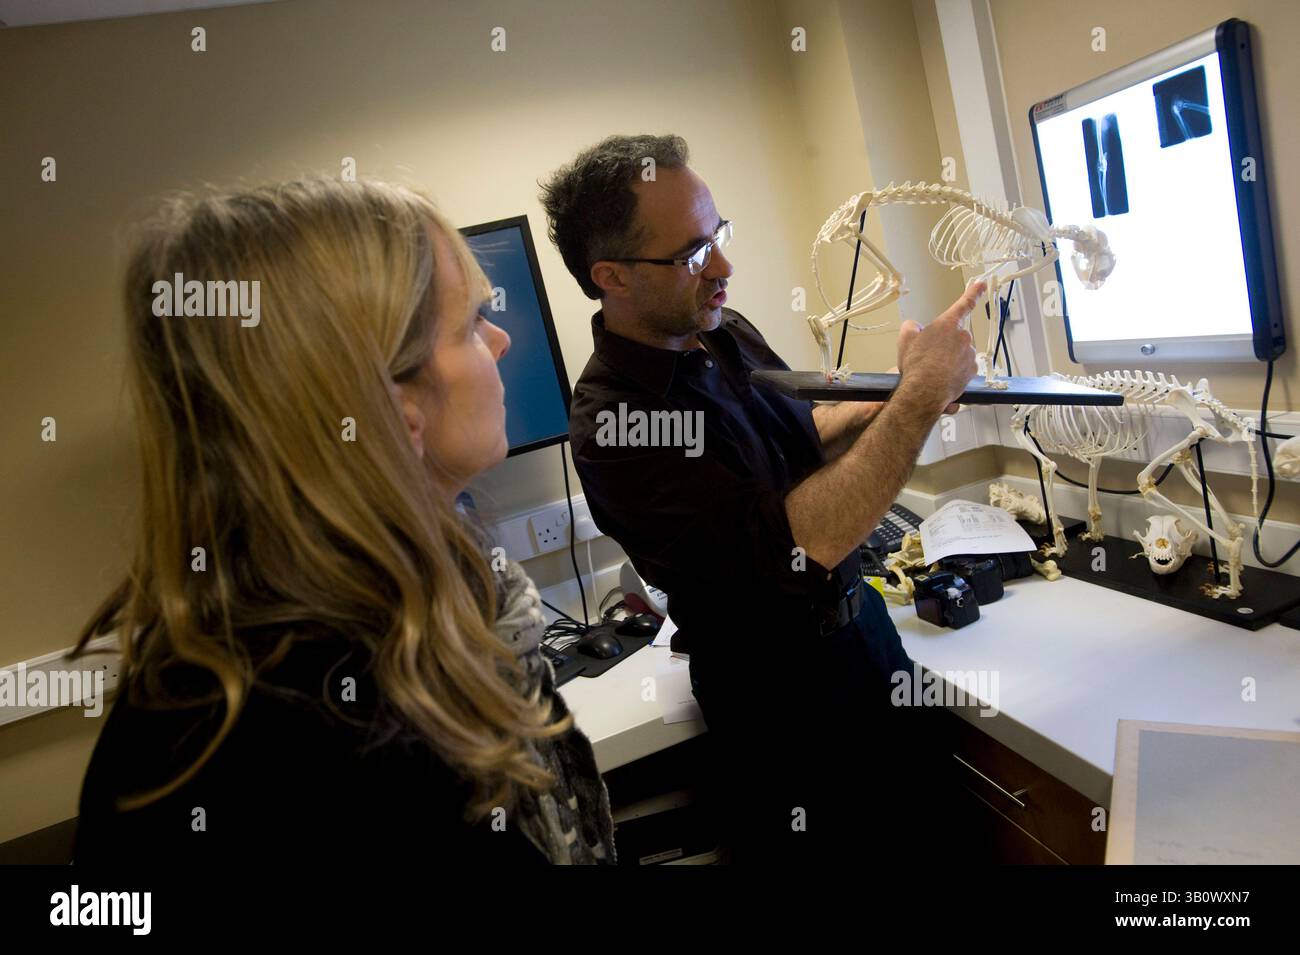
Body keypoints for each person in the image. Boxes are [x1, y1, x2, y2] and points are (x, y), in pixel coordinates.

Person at [73, 178, 615, 865]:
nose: (503, 340)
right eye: (473, 322)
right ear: (390, 409)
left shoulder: (451, 603)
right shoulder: (317, 736)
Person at [542, 134, 983, 862]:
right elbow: (796, 543)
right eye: (690, 253)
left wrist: (898, 398)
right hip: (785, 712)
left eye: (717, 234)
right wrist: (915, 406)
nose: (722, 266)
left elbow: (801, 432)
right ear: (611, 276)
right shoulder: (618, 424)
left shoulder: (718, 331)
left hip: (867, 639)